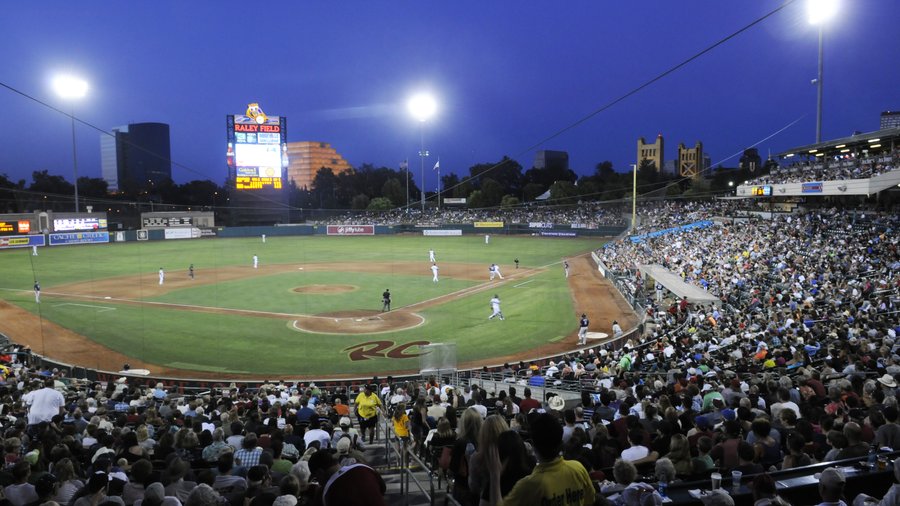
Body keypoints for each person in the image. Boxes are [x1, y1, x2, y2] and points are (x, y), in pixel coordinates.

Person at [494, 413, 595, 505]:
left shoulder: (527, 486)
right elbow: (590, 500)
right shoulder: (578, 468)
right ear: (561, 443)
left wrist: (494, 477)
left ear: (534, 444)